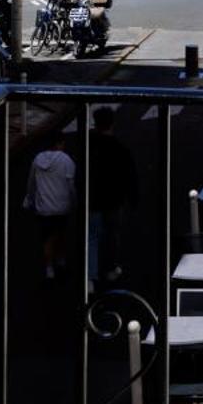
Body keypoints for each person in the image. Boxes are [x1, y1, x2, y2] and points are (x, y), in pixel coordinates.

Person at [86, 108, 138, 284]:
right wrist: (133, 198)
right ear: (112, 123)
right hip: (114, 200)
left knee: (92, 236)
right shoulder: (120, 149)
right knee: (112, 235)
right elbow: (129, 176)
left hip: (92, 197)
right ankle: (109, 268)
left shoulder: (88, 145)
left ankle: (91, 276)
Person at [22, 132, 77, 280]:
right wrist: (74, 200)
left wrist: (30, 199)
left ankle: (49, 268)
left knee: (47, 238)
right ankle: (61, 259)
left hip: (43, 207)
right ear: (60, 143)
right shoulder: (66, 161)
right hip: (62, 206)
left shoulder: (37, 160)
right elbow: (71, 185)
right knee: (60, 234)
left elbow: (31, 183)